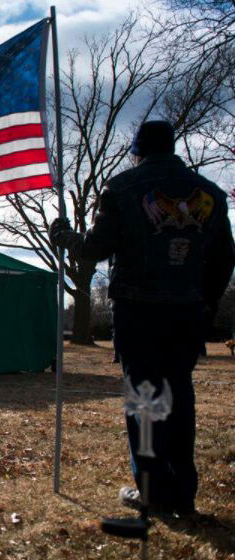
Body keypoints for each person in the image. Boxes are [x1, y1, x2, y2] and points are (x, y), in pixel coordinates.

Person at [50, 120, 235, 517]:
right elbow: (224, 258)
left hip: (139, 310)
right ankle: (182, 494)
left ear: (137, 150)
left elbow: (95, 248)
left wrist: (67, 236)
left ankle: (151, 489)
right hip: (186, 311)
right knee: (180, 397)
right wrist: (207, 301)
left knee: (146, 399)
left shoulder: (122, 188)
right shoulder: (212, 195)